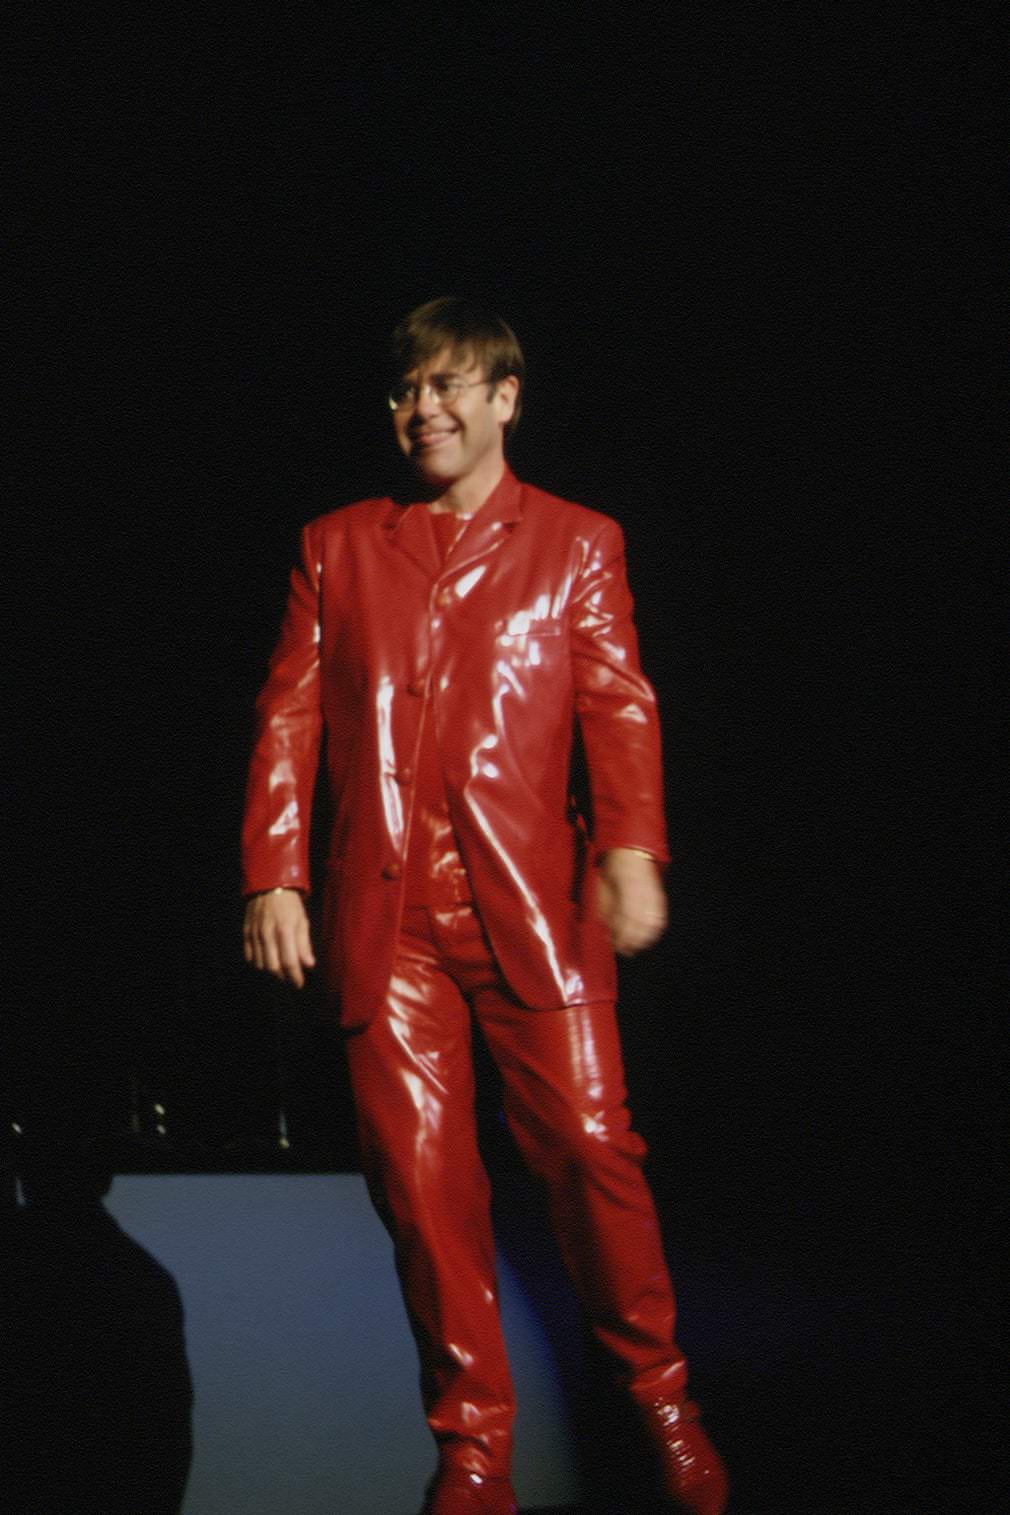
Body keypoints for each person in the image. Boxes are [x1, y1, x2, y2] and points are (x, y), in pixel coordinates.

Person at [241, 297, 728, 1515]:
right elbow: (289, 714)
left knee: (589, 1154)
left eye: (449, 385)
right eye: (407, 389)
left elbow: (617, 702)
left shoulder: (576, 541)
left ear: (505, 397)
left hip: (531, 904)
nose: (424, 408)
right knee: (419, 1187)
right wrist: (273, 870)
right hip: (384, 916)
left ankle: (661, 1407)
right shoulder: (337, 544)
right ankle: (471, 1456)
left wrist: (628, 848)